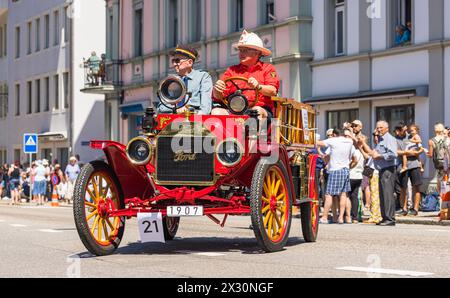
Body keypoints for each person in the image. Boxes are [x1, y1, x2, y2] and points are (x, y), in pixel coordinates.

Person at [212, 30, 279, 121]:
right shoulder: (231, 70)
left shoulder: (268, 68)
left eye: (245, 50)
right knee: (216, 112)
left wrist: (258, 87)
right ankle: (225, 135)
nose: (241, 54)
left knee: (256, 111)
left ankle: (253, 135)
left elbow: (273, 91)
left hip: (260, 109)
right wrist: (217, 89)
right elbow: (218, 97)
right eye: (240, 50)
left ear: (257, 53)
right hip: (234, 110)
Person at [360, 121, 398, 226]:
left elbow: (393, 154)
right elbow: (373, 153)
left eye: (381, 128)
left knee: (387, 194)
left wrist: (380, 156)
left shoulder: (389, 139)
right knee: (382, 194)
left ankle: (390, 219)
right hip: (382, 169)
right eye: (377, 128)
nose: (379, 130)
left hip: (388, 169)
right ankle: (385, 217)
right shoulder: (381, 139)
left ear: (387, 128)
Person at [158, 45, 213, 115]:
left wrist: (190, 112)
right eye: (173, 61)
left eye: (177, 61)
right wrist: (177, 110)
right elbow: (161, 107)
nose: (174, 64)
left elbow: (205, 109)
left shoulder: (203, 77)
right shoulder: (170, 81)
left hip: (195, 120)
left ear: (190, 62)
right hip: (173, 119)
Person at [317, 128, 356, 224]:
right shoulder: (349, 141)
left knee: (329, 194)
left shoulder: (333, 140)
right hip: (345, 169)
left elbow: (319, 143)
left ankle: (325, 217)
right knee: (343, 194)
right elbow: (353, 156)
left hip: (335, 169)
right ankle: (341, 218)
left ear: (334, 134)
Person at [396, 124, 424, 217]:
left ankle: (415, 209)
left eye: (406, 129)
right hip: (403, 166)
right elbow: (397, 152)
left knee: (416, 187)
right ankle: (404, 209)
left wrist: (416, 153)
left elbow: (420, 149)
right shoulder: (396, 140)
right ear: (398, 131)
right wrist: (409, 153)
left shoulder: (411, 136)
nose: (406, 131)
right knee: (403, 188)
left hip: (414, 164)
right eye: (403, 130)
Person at [346, 129, 365, 223]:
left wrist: (348, 167)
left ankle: (348, 215)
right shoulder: (362, 152)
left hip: (351, 175)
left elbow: (354, 161)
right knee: (355, 196)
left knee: (347, 196)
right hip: (359, 176)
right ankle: (355, 217)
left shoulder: (354, 151)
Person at [428, 123, 450, 200]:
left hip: (439, 164)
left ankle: (443, 201)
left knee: (441, 182)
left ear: (435, 130)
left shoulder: (431, 141)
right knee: (447, 181)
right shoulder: (447, 139)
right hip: (448, 163)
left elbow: (430, 155)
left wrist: (426, 152)